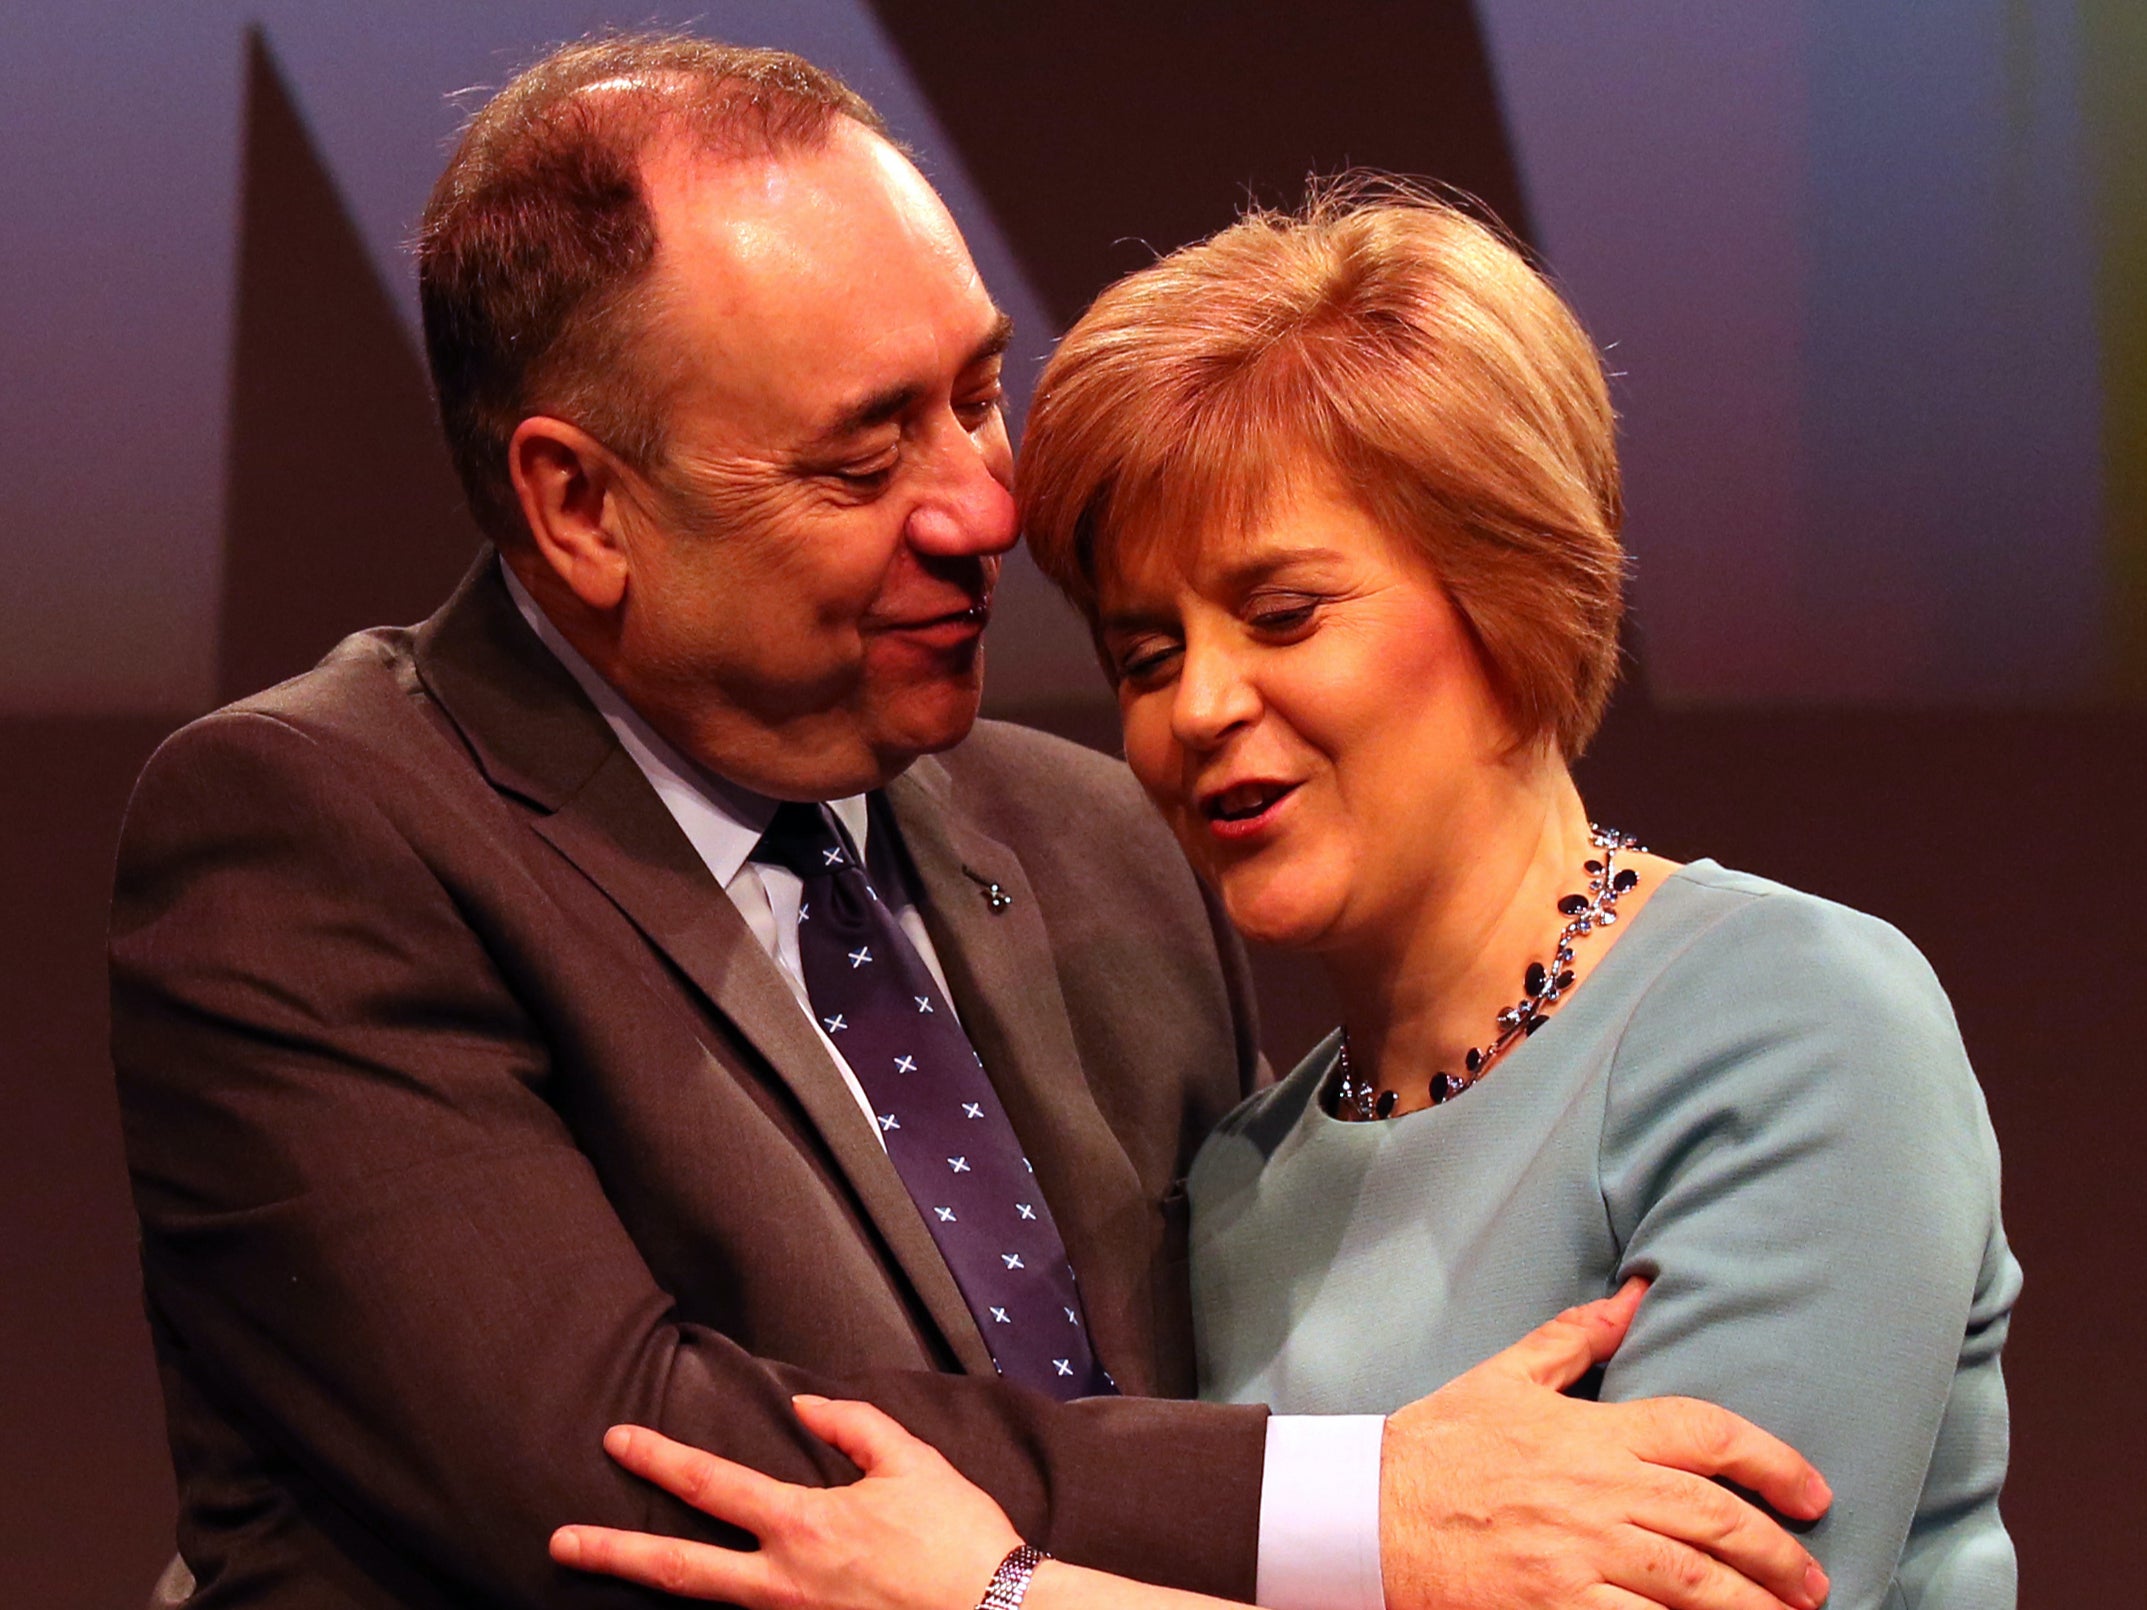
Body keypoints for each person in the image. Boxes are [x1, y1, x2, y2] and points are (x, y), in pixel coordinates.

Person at [112, 37, 1832, 1610]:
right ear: (581, 505)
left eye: (977, 393)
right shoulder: (316, 835)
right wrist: (1356, 1506)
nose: (989, 508)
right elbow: (625, 1460)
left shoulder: (1094, 843)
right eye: (863, 463)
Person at [547, 188, 2020, 1610]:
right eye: (1142, 652)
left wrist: (995, 1594)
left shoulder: (1792, 1020)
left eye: (1281, 613)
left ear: (1506, 590)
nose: (1196, 706)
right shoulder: (1238, 1174)